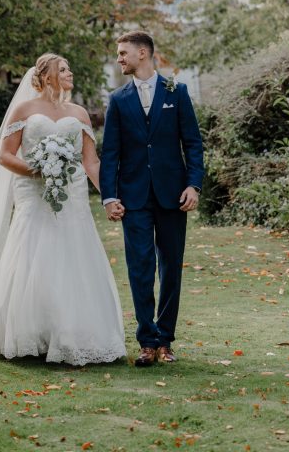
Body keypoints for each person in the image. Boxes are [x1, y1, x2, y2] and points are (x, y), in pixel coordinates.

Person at [0, 53, 126, 366]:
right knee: (31, 256)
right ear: (46, 75)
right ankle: (29, 332)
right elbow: (5, 156)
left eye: (69, 68)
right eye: (63, 69)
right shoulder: (24, 110)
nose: (70, 73)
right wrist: (38, 171)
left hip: (72, 197)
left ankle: (72, 333)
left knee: (73, 258)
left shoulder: (79, 113)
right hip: (33, 193)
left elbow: (91, 161)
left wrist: (109, 196)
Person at [100, 31, 204, 367]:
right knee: (140, 268)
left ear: (142, 53)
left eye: (123, 53)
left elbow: (193, 143)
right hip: (134, 198)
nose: (119, 58)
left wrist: (194, 185)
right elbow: (110, 152)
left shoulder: (178, 92)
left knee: (171, 268)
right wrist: (109, 196)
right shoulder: (118, 99)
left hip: (173, 195)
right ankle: (147, 340)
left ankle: (165, 340)